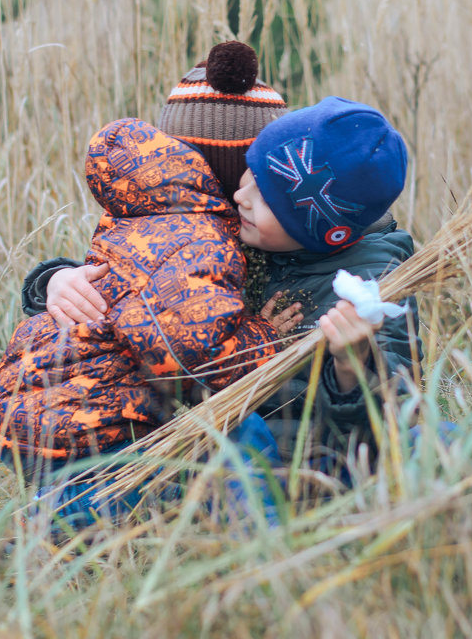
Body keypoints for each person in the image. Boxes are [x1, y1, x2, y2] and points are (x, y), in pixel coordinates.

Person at [28, 96, 421, 479]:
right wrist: (58, 280)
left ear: (317, 228)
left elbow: (389, 419)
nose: (239, 198)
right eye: (249, 178)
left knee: (431, 441)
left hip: (295, 463)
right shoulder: (249, 236)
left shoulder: (373, 284)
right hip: (200, 443)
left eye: (265, 198)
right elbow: (143, 278)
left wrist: (353, 364)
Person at [0, 41, 292, 533]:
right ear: (238, 171)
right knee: (226, 444)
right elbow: (193, 351)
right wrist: (53, 281)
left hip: (43, 407)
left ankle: (72, 506)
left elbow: (131, 286)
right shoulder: (198, 234)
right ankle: (55, 524)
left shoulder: (149, 206)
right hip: (97, 419)